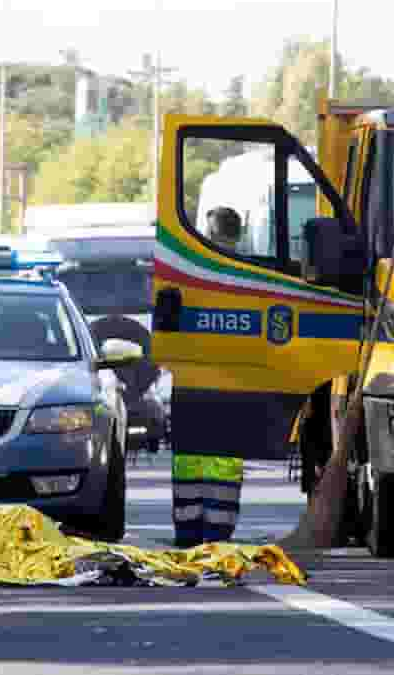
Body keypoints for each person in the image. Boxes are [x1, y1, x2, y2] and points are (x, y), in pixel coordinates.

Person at [172, 205, 246, 548]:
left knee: (204, 462)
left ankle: (198, 537)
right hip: (218, 379)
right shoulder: (247, 275)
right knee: (213, 463)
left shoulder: (192, 271)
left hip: (204, 378)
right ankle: (208, 537)